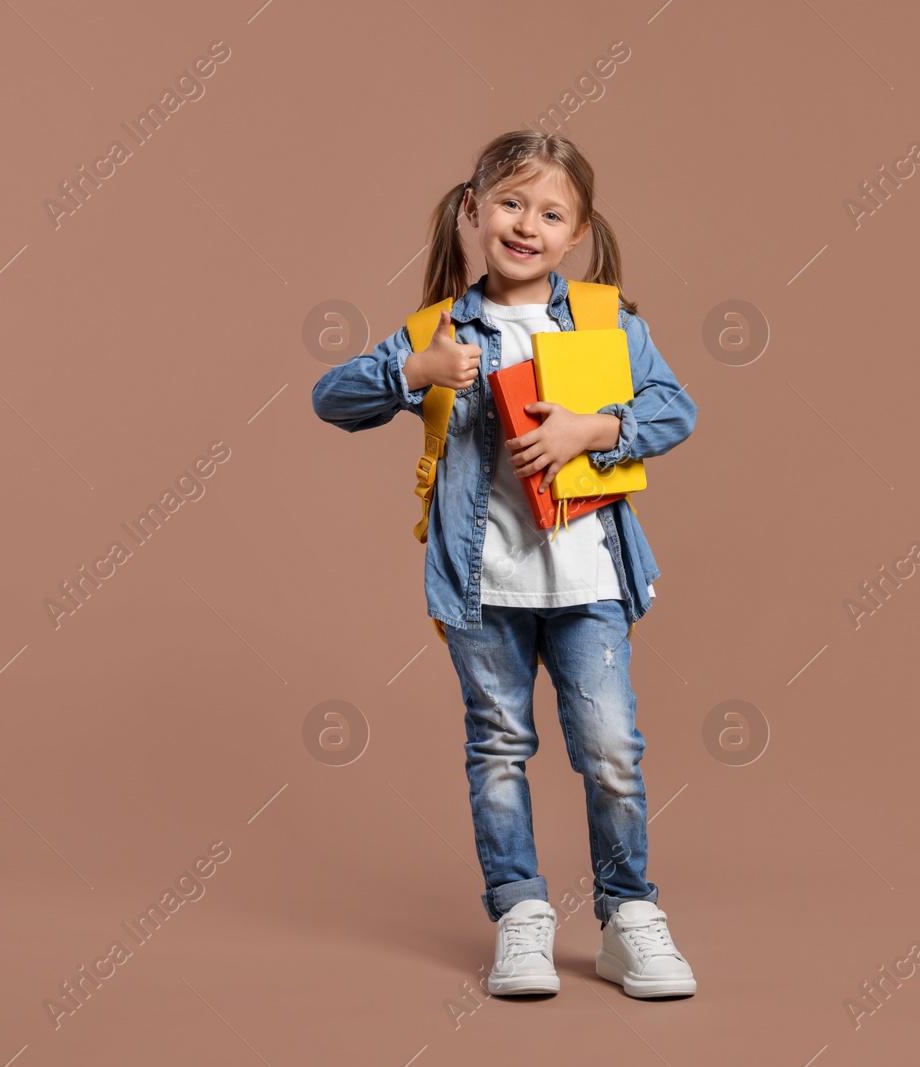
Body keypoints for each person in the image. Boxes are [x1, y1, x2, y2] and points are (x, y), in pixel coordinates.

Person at [310, 131, 698, 999]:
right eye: (512, 204)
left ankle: (629, 917)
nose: (528, 224)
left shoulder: (606, 323)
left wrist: (589, 430)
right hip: (482, 587)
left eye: (551, 212)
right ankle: (521, 915)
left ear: (578, 232)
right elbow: (329, 397)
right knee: (497, 748)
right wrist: (416, 369)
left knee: (611, 750)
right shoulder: (440, 330)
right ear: (473, 210)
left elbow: (675, 409)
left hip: (591, 579)